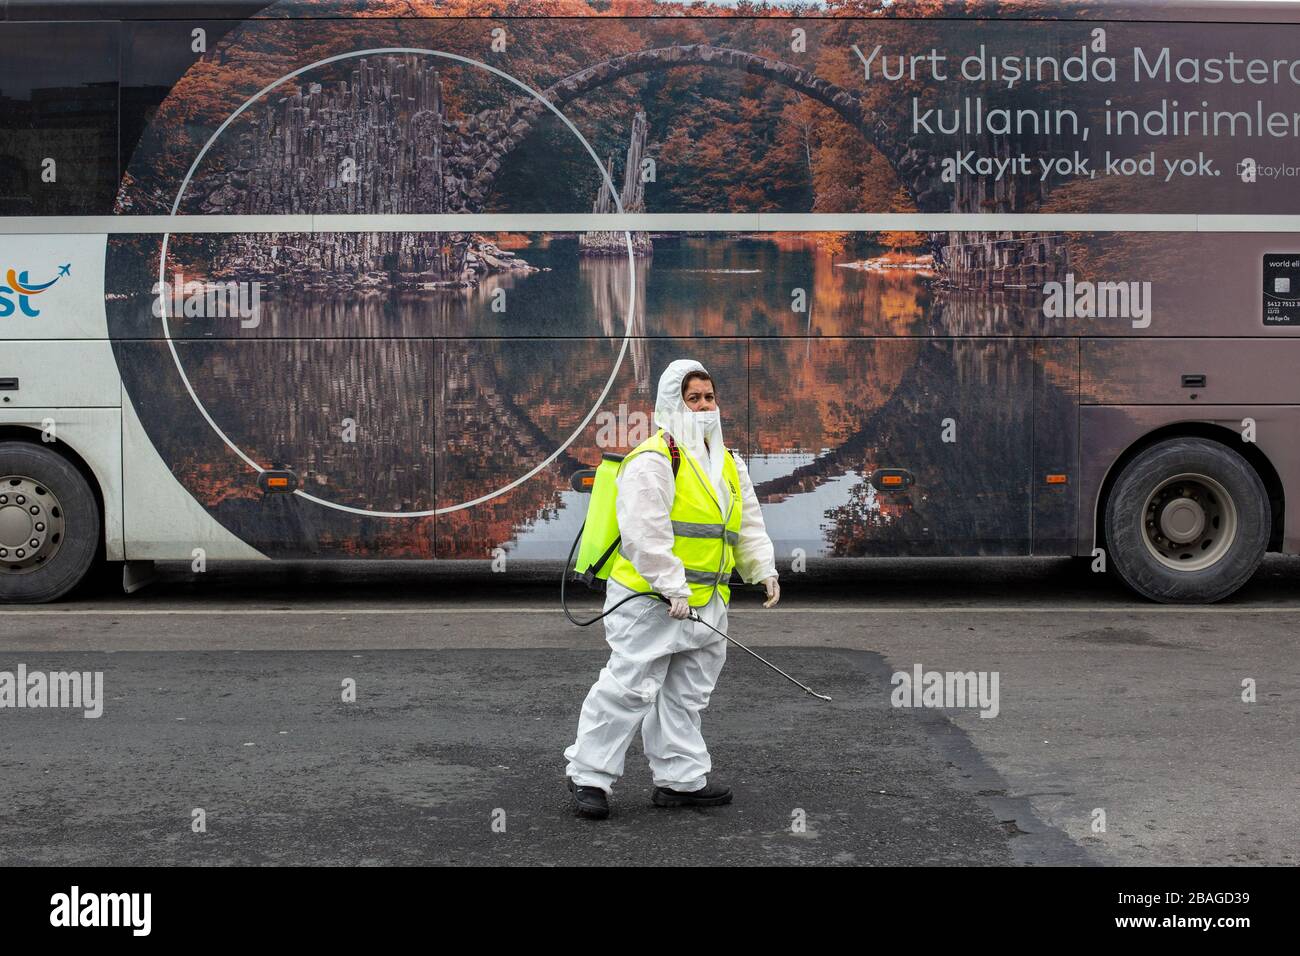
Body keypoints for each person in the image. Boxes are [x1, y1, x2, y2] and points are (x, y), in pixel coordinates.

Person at [563, 359, 780, 820]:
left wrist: (763, 569)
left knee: (686, 695)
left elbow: (746, 523)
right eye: (693, 398)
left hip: (705, 605)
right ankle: (589, 777)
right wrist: (671, 586)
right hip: (650, 601)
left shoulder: (727, 461)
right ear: (671, 403)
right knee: (630, 689)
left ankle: (679, 780)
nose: (704, 406)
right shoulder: (654, 459)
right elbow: (645, 533)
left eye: (709, 397)